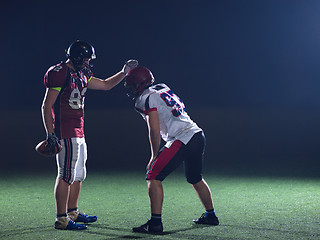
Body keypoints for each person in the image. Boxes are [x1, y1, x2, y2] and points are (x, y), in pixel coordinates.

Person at [41, 40, 138, 230]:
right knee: (65, 175)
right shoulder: (60, 73)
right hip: (65, 130)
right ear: (76, 58)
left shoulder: (82, 73)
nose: (88, 63)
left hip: (78, 129)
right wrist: (50, 132)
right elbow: (47, 105)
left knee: (78, 174)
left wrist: (123, 72)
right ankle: (61, 219)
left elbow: (105, 85)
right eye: (85, 59)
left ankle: (72, 212)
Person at [123, 66, 219, 234]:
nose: (131, 88)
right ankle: (211, 215)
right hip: (197, 134)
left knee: (153, 176)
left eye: (132, 84)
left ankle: (155, 224)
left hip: (181, 138)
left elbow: (153, 129)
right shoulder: (162, 87)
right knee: (195, 178)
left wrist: (154, 155)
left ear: (139, 84)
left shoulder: (144, 99)